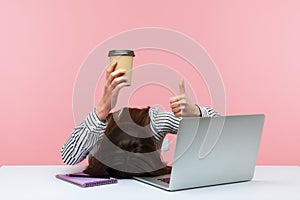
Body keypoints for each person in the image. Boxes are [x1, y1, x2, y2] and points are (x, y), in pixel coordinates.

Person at [61, 62, 219, 177]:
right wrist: (102, 108)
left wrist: (195, 114)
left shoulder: (156, 122)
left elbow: (221, 133)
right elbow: (69, 156)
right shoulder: (100, 126)